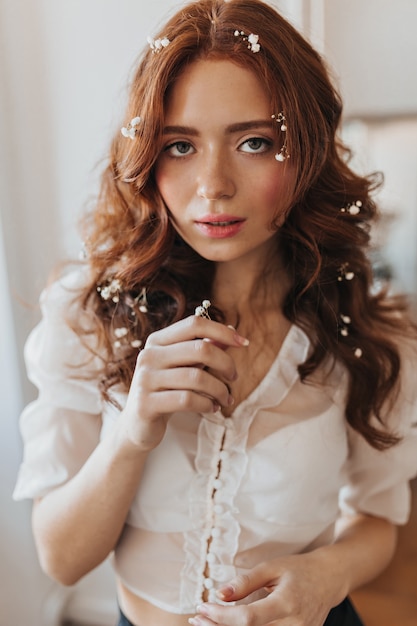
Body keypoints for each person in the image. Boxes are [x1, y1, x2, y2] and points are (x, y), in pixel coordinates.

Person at [13, 1, 417, 625]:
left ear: (305, 149)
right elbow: (61, 561)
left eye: (254, 142)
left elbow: (379, 518)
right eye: (179, 145)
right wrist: (132, 432)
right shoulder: (89, 317)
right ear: (146, 154)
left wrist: (325, 573)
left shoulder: (361, 327)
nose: (213, 185)